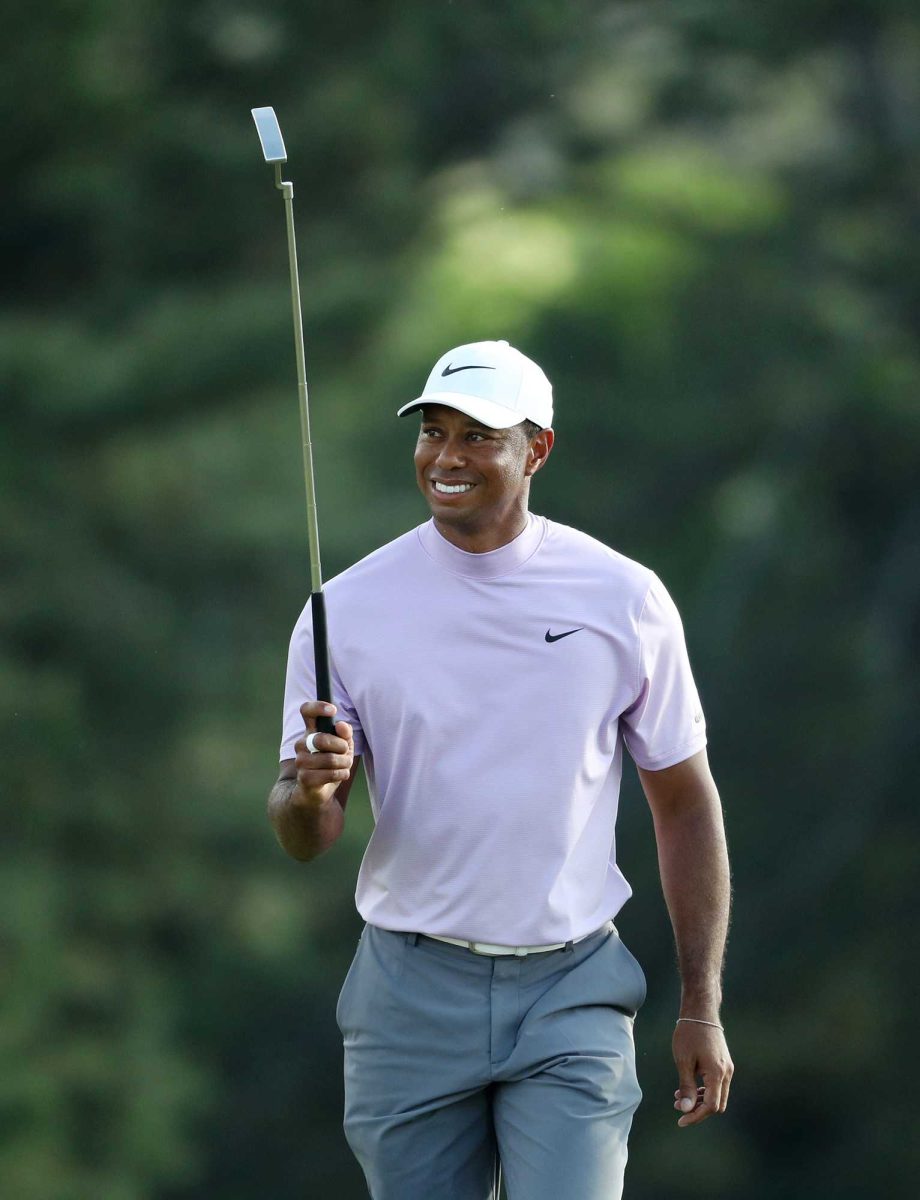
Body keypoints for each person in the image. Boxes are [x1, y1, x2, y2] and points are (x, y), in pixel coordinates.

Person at [268, 339, 733, 1200]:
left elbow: (683, 801)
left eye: (479, 436)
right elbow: (306, 837)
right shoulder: (345, 610)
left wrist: (699, 1002)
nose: (447, 457)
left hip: (570, 987)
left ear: (536, 450)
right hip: (408, 992)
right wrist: (310, 790)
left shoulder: (622, 598)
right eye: (433, 432)